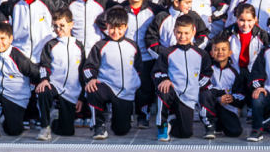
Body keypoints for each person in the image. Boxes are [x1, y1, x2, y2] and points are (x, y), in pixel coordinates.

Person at [83, 8, 140, 139]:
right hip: (106, 85)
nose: (115, 31)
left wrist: (135, 84)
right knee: (92, 89)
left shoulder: (132, 46)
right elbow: (88, 67)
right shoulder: (100, 45)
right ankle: (98, 125)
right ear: (107, 26)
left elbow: (139, 68)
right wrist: (91, 79)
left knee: (121, 131)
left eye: (119, 28)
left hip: (125, 92)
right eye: (112, 28)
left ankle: (116, 117)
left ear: (125, 27)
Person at [153, 14, 209, 140]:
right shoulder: (167, 52)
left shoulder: (201, 54)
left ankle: (172, 119)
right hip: (172, 91)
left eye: (186, 33)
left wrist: (196, 87)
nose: (182, 36)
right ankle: (162, 126)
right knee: (163, 89)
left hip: (188, 97)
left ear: (193, 32)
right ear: (174, 32)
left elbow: (207, 74)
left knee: (185, 133)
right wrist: (164, 79)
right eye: (179, 33)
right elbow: (157, 71)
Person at [36, 9, 85, 140]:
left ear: (71, 25)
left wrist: (81, 97)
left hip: (71, 90)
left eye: (62, 25)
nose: (58, 29)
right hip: (54, 84)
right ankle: (45, 127)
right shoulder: (50, 45)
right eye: (55, 26)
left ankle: (55, 119)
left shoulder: (79, 46)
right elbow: (44, 65)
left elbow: (82, 72)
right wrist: (44, 79)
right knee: (43, 90)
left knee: (67, 132)